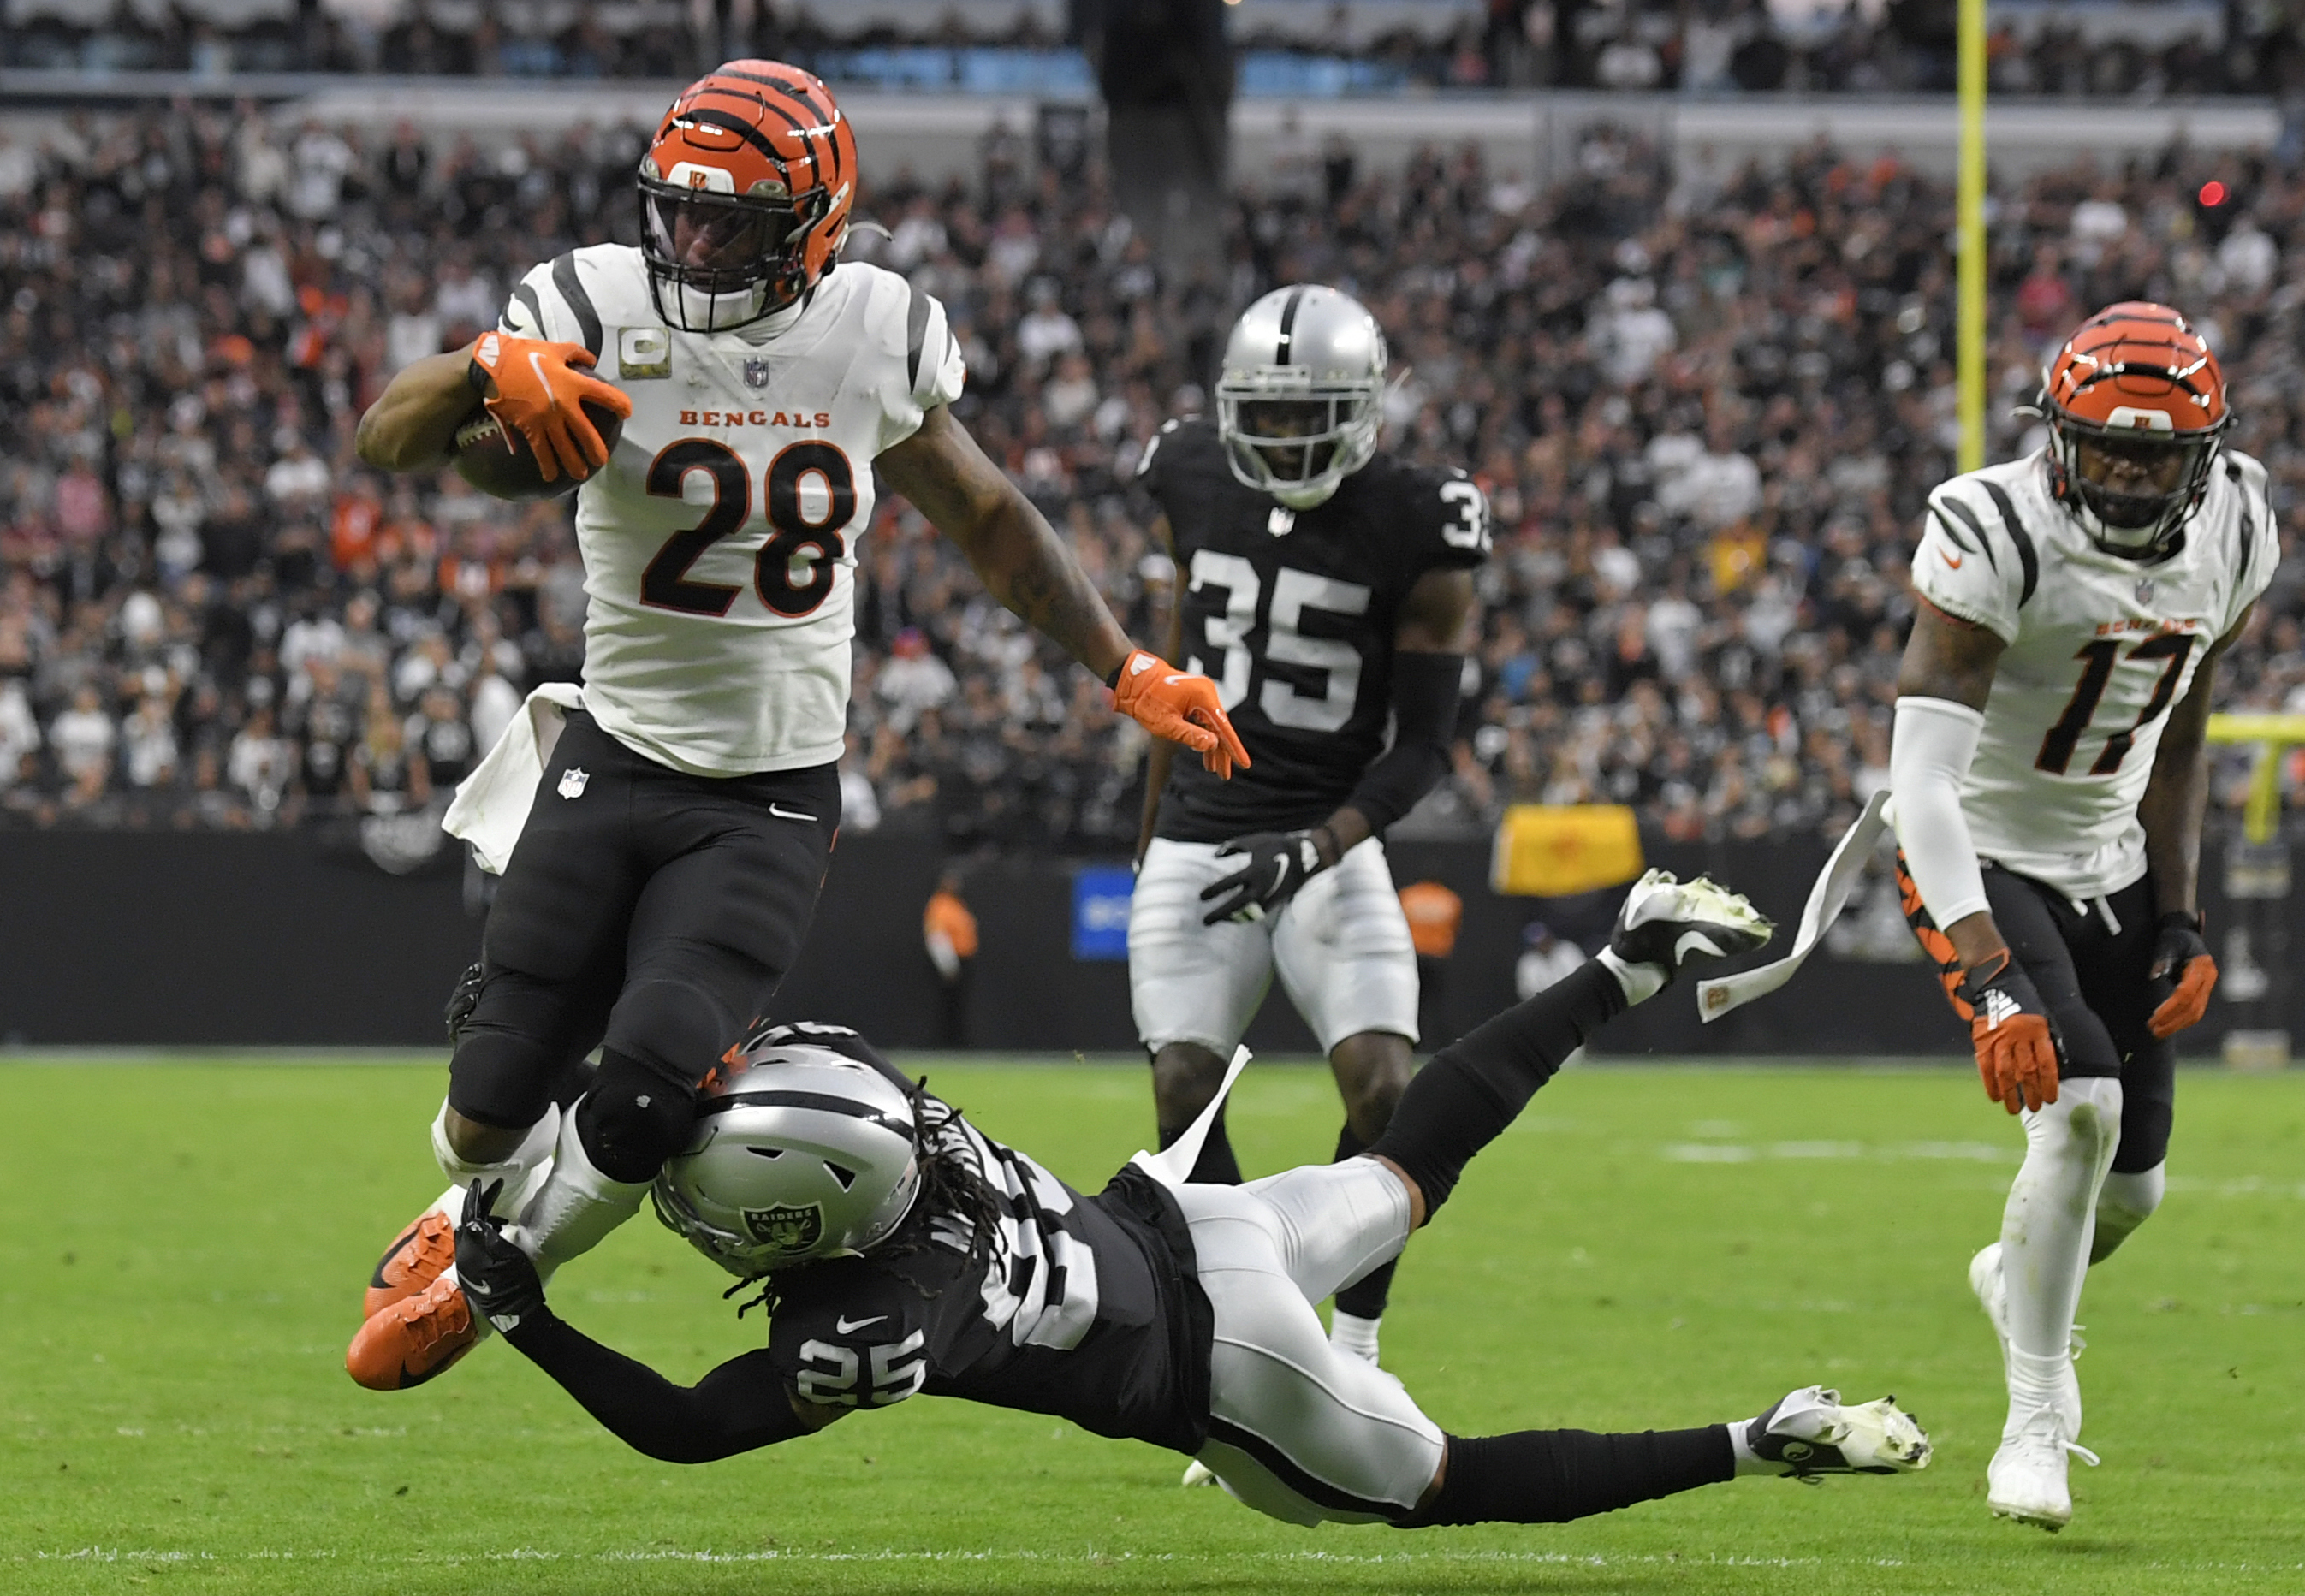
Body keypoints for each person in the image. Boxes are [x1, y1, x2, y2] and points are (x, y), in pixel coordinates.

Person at [344, 62, 1248, 1391]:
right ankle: (472, 1209)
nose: (695, 243)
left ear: (818, 225)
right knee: (482, 1121)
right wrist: (485, 365)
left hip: (765, 796)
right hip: (612, 758)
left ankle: (489, 1283)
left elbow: (991, 518)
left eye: (734, 223)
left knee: (648, 1085)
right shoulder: (592, 302)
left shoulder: (870, 330)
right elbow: (394, 441)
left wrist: (1122, 666)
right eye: (681, 214)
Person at [449, 872, 1933, 1522]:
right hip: (1203, 1225)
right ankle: (1617, 969)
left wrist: (531, 1323)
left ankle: (1757, 1442)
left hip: (1228, 1372)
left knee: (1439, 1489)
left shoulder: (866, 1312)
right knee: (1400, 1168)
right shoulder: (856, 1092)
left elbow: (694, 1431)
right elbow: (723, 1079)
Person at [1886, 303, 2270, 1530]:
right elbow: (1919, 785)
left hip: (2108, 849)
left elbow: (2182, 733)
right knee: (2080, 1112)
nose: (2121, 471)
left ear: (2201, 458)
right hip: (1978, 847)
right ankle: (2035, 1419)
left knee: (2133, 1191)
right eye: (2101, 444)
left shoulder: (2239, 528)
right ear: (2055, 431)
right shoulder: (1991, 525)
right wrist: (1990, 973)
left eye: (2152, 454)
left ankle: (2016, 1274)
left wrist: (2180, 917)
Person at [1128, 284, 1486, 1366]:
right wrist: (1149, 831)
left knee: (1384, 1087)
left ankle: (1357, 1343)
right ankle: (1248, 1333)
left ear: (1364, 404)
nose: (1282, 435)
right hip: (1202, 829)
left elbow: (1422, 747)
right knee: (1183, 1089)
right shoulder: (1186, 470)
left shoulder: (1422, 516)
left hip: (1326, 831)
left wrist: (1318, 843)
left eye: (1305, 412)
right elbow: (1168, 663)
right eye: (1265, 411)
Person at [1397, 878, 1463, 1045]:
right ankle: (1439, 1043)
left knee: (1412, 1003)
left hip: (1414, 957)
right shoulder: (1449, 899)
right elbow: (1454, 929)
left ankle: (1412, 1043)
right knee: (1438, 1004)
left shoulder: (1408, 896)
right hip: (1437, 957)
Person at [923, 870, 977, 1048]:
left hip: (963, 960)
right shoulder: (940, 905)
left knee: (958, 1005)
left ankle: (956, 1041)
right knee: (948, 1005)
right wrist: (948, 965)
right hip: (952, 961)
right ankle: (946, 1043)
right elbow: (937, 937)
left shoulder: (956, 905)